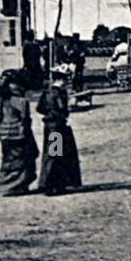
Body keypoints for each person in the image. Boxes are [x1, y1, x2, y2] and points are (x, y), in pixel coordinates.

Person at [37, 66, 83, 195]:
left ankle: (48, 182)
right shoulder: (60, 93)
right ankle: (53, 185)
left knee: (51, 154)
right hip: (58, 127)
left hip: (49, 126)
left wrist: (48, 113)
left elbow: (39, 108)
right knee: (57, 155)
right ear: (62, 80)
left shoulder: (46, 92)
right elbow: (63, 109)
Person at [0, 71, 38, 196]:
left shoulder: (3, 100)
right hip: (19, 132)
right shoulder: (21, 101)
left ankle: (6, 184)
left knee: (8, 158)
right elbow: (25, 119)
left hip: (4, 132)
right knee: (24, 157)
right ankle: (18, 185)